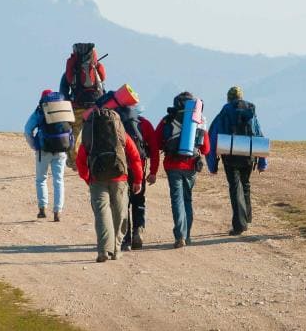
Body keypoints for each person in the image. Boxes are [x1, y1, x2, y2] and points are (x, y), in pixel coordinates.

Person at [76, 108, 143, 262]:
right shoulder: (120, 134)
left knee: (102, 214)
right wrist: (138, 179)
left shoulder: (89, 135)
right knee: (120, 215)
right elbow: (134, 157)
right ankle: (116, 248)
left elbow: (80, 160)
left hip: (97, 180)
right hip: (119, 178)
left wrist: (88, 178)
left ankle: (103, 251)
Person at [153, 92, 211, 248]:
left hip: (173, 166)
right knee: (187, 200)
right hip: (191, 166)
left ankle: (180, 236)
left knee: (177, 200)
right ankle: (187, 235)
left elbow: (157, 142)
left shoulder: (168, 120)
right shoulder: (198, 120)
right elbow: (206, 148)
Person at [207, 86, 266, 236]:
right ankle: (246, 219)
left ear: (229, 98)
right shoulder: (250, 110)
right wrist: (262, 162)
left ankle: (239, 225)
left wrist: (212, 164)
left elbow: (213, 135)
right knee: (245, 185)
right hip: (248, 155)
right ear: (241, 97)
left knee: (235, 187)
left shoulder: (225, 110)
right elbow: (259, 134)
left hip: (230, 155)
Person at [114, 105, 159, 251]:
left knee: (122, 203)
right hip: (138, 167)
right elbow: (154, 149)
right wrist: (153, 172)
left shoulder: (115, 123)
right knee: (138, 200)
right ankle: (138, 230)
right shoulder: (144, 124)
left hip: (119, 170)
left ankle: (125, 238)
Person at [24, 89, 72, 222]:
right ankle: (58, 211)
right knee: (59, 180)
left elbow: (27, 130)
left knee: (41, 179)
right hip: (61, 149)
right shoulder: (63, 111)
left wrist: (35, 145)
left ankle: (42, 210)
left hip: (43, 150)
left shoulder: (40, 111)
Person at [65, 43, 107, 170]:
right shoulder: (95, 64)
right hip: (96, 105)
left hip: (78, 105)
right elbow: (103, 78)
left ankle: (74, 162)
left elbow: (67, 79)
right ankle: (98, 160)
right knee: (97, 133)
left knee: (74, 134)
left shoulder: (72, 62)